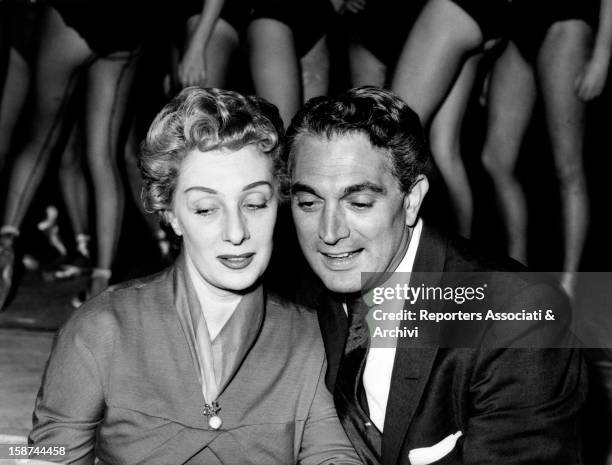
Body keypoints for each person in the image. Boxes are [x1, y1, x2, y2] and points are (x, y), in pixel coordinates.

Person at [29, 87, 362, 465]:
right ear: (171, 214)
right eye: (206, 209)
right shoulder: (100, 328)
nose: (236, 233)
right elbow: (47, 454)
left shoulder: (314, 341)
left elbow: (336, 456)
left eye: (254, 204)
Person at [286, 86, 586, 464]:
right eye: (308, 202)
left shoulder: (520, 319)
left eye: (359, 202)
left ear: (411, 200)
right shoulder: (300, 293)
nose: (329, 232)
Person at [0, 0, 141, 310]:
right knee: (104, 157)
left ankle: (5, 249)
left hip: (75, 16)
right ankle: (101, 279)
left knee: (41, 139)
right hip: (126, 24)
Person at [481, 0, 612, 295]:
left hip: (566, 22)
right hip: (519, 29)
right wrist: (491, 67)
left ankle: (570, 285)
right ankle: (518, 268)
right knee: (495, 160)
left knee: (568, 167)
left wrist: (602, 57)